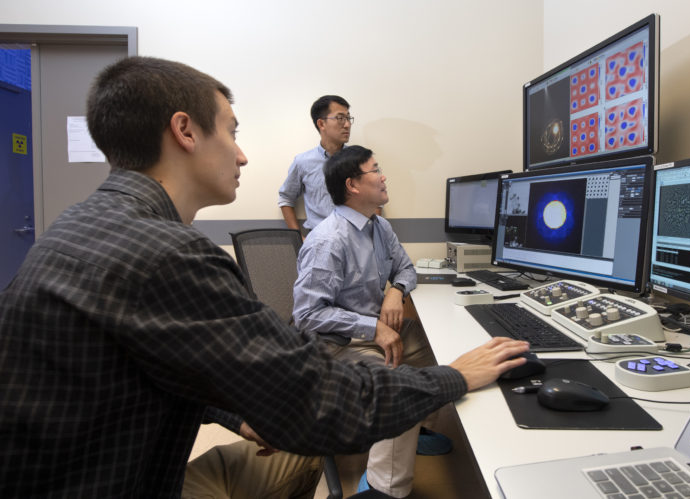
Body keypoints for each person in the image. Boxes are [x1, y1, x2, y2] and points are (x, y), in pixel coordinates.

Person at [0, 56, 530, 498]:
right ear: (185, 131)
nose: (242, 153)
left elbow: (137, 364)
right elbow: (319, 397)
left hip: (91, 468)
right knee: (319, 431)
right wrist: (457, 377)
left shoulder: (81, 222)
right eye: (231, 132)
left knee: (302, 460)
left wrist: (236, 415)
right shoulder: (168, 253)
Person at [291, 145, 461, 497]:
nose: (384, 176)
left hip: (372, 332)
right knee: (398, 387)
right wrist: (374, 328)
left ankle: (415, 430)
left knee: (433, 343)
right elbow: (307, 315)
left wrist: (395, 292)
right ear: (352, 185)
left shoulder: (379, 226)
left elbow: (406, 268)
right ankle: (385, 486)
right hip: (333, 345)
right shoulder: (328, 240)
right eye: (376, 170)